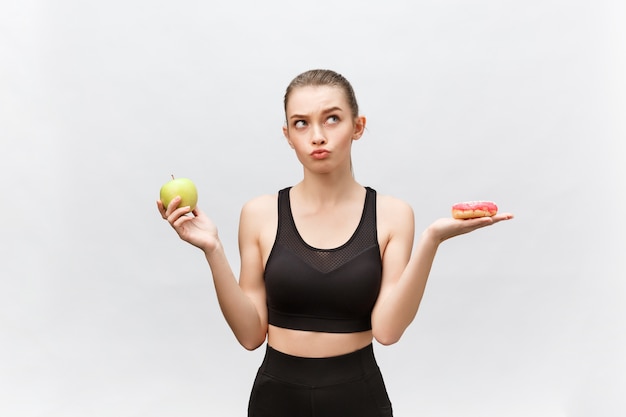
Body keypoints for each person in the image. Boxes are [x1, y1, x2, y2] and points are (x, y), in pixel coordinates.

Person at [157, 69, 514, 417]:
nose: (317, 136)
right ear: (287, 135)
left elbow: (388, 331)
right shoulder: (259, 213)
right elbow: (250, 335)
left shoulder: (392, 215)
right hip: (276, 399)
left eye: (332, 119)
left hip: (358, 397)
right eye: (301, 123)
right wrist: (213, 249)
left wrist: (431, 241)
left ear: (357, 126)